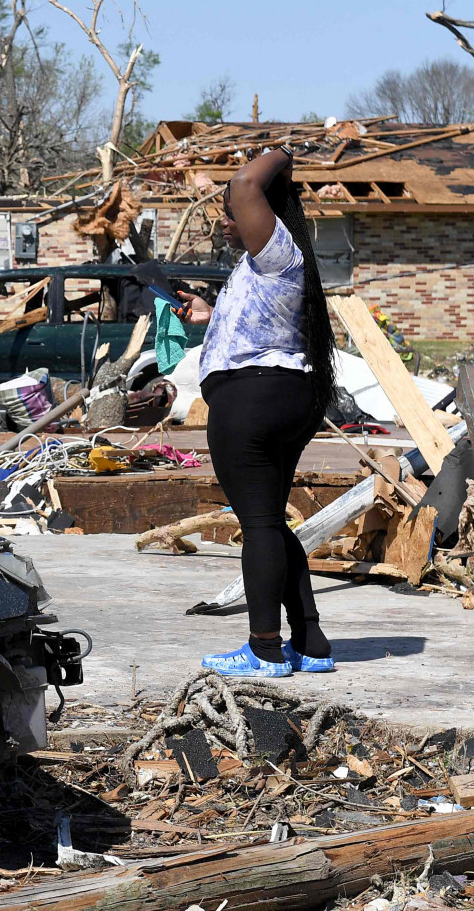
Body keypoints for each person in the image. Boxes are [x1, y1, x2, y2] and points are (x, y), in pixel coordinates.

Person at [175, 148, 338, 679]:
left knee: (259, 524)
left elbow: (247, 182)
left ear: (265, 209)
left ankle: (263, 648)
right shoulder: (270, 261)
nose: (228, 220)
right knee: (271, 521)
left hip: (252, 400)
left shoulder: (278, 252)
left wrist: (283, 155)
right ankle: (309, 641)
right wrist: (204, 314)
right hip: (278, 392)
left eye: (234, 210)